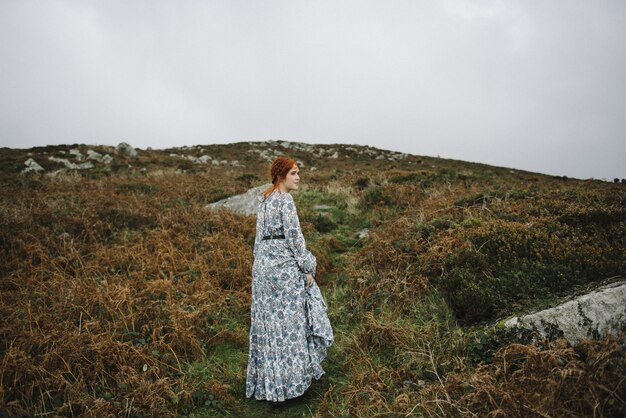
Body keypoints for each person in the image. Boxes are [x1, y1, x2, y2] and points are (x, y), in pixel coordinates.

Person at [245, 156, 334, 402]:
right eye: (294, 173)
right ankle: (291, 384)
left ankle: (270, 385)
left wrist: (257, 265)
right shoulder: (285, 200)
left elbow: (258, 238)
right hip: (282, 269)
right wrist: (308, 267)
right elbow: (295, 240)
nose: (298, 177)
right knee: (290, 325)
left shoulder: (264, 199)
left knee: (268, 326)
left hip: (263, 268)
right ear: (281, 175)